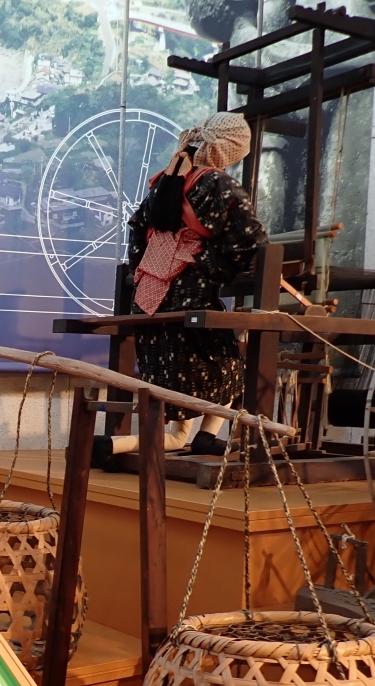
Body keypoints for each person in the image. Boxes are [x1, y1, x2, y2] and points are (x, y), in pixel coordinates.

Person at [93, 112, 266, 466]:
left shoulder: (167, 180)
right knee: (232, 369)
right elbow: (251, 240)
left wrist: (150, 272)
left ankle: (115, 444)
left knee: (170, 386)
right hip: (189, 298)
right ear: (229, 148)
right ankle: (206, 436)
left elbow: (137, 232)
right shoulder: (217, 183)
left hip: (149, 301)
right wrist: (216, 267)